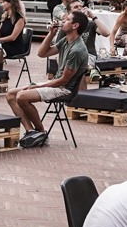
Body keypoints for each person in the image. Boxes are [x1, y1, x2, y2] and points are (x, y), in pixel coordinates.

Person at [8, 9, 92, 148]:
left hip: (64, 89)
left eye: (67, 20)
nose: (63, 21)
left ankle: (41, 132)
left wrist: (37, 87)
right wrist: (51, 33)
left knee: (22, 96)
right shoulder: (66, 40)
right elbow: (42, 53)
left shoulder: (77, 50)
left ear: (75, 25)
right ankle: (31, 131)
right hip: (56, 83)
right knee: (11, 94)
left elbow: (64, 81)